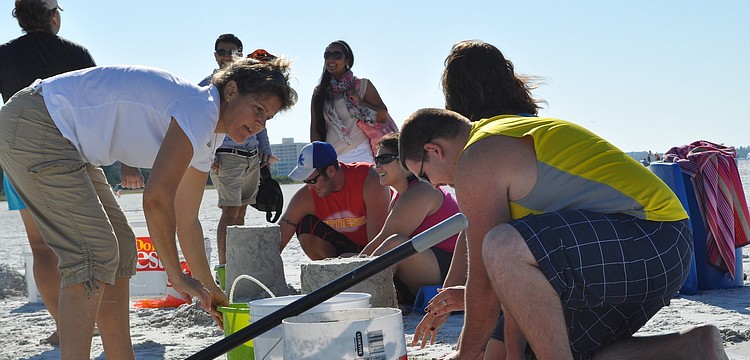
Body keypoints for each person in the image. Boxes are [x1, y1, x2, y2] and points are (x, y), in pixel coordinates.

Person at [0, 58, 297, 359]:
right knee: (93, 252)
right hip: (36, 122)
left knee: (122, 248)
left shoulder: (210, 133)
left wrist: (209, 289)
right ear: (231, 91)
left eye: (267, 118)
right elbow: (156, 198)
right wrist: (178, 276)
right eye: (258, 109)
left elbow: (187, 219)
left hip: (63, 138)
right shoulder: (199, 108)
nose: (260, 123)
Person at [399, 106, 730, 359]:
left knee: (500, 245)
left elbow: (488, 277)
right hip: (656, 250)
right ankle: (695, 346)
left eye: (426, 176)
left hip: (651, 234)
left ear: (433, 150)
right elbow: (509, 278)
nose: (437, 185)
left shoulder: (477, 158)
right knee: (534, 346)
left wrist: (464, 356)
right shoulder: (495, 137)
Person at [0, 0, 144, 346]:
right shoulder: (75, 51)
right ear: (54, 17)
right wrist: (127, 159)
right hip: (72, 156)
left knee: (41, 247)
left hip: (21, 152)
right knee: (89, 247)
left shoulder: (4, 54)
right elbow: (105, 107)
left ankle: (64, 325)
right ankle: (86, 321)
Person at [358, 133, 463, 305]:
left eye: (384, 159)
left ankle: (357, 297)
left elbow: (386, 239)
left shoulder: (421, 190)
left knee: (395, 244)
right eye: (376, 160)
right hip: (425, 267)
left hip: (451, 271)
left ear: (405, 161)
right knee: (351, 257)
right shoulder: (401, 194)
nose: (377, 168)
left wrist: (350, 274)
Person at [203, 37, 274, 266]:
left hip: (251, 156)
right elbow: (201, 122)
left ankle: (236, 264)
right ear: (215, 54)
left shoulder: (250, 83)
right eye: (223, 51)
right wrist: (209, 155)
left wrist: (265, 150)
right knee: (229, 213)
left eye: (233, 51)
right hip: (226, 156)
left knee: (241, 214)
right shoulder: (209, 84)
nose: (227, 55)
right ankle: (225, 268)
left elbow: (261, 120)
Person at [278, 141, 390, 259]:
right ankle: (330, 272)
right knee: (306, 226)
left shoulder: (369, 180)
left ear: (330, 170)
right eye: (305, 181)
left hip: (376, 247)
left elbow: (380, 241)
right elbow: (281, 234)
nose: (310, 187)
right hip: (344, 250)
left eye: (312, 181)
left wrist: (358, 259)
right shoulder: (307, 196)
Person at [310, 40, 391, 164]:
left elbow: (382, 115)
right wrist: (319, 157)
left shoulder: (362, 85)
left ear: (347, 60)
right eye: (327, 55)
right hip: (333, 157)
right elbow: (315, 128)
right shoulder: (320, 92)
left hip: (361, 152)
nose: (331, 59)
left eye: (337, 55)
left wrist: (360, 102)